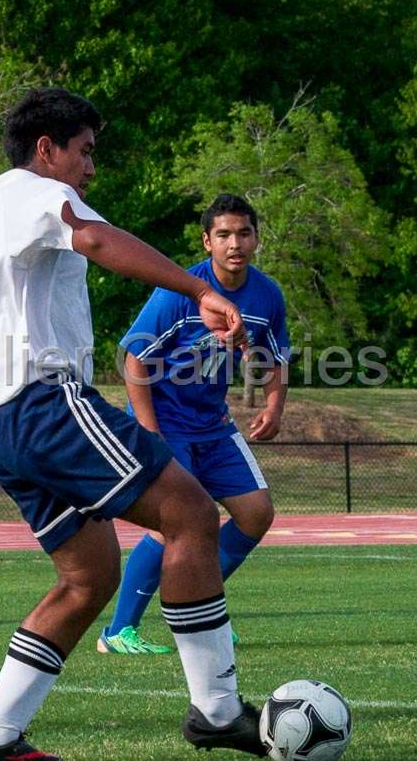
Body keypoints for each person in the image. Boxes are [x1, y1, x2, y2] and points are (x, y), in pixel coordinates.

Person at [0, 87, 268, 761]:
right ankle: (216, 712)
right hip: (43, 403)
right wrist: (199, 289)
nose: (91, 169)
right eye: (85, 152)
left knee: (88, 576)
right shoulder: (28, 193)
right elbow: (97, 238)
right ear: (47, 151)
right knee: (191, 515)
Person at [98, 193, 288, 655]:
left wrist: (274, 405)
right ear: (207, 242)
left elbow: (274, 356)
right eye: (223, 234)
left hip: (213, 423)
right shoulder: (179, 290)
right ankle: (117, 632)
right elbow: (134, 358)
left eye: (243, 233)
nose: (234, 243)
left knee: (256, 514)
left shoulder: (267, 295)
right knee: (172, 524)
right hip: (164, 422)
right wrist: (150, 432)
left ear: (257, 239)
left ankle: (193, 605)